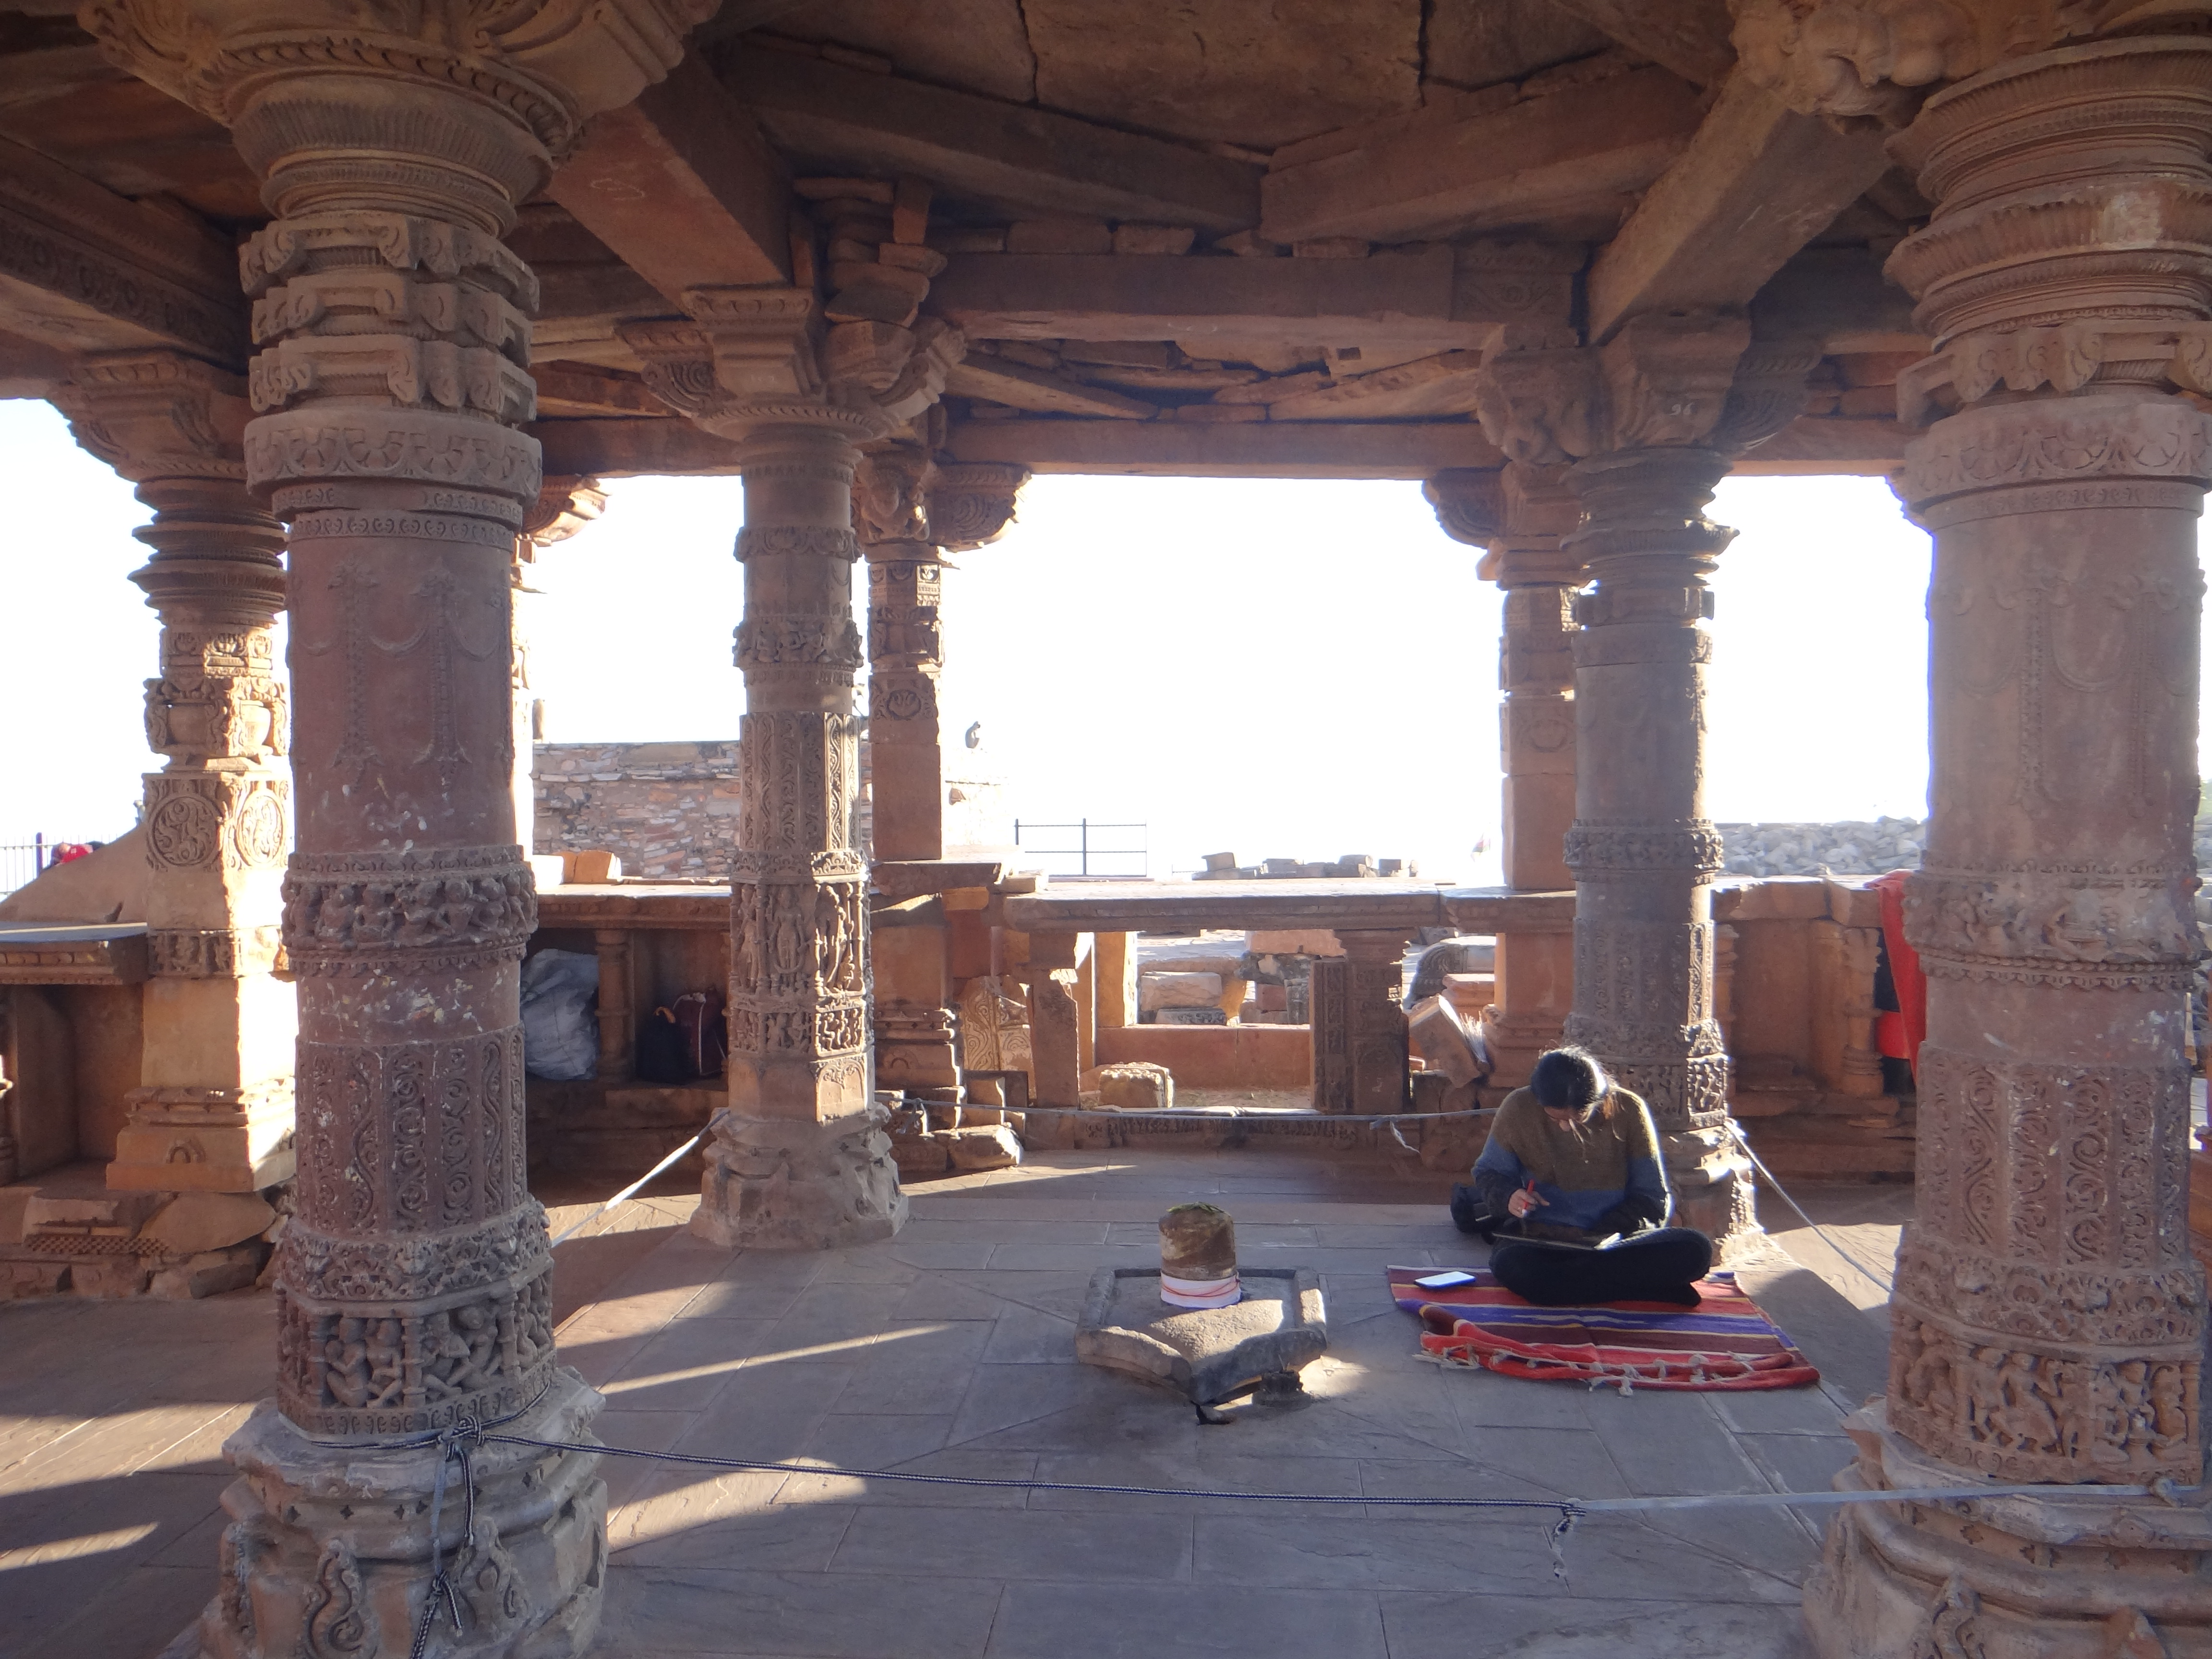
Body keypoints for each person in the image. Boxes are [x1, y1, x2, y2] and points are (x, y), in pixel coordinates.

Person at [1455, 1046, 1713, 1307]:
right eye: (1555, 1118)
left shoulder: (1630, 1110)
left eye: (1579, 1118)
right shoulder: (1518, 1107)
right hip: (1542, 1242)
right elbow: (1489, 1173)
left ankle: (1577, 1287)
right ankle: (1644, 1289)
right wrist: (1510, 1196)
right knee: (1514, 1267)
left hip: (1616, 1242)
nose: (1566, 1128)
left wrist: (1604, 1233)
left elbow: (1652, 1198)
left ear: (1599, 1101)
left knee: (1697, 1249)